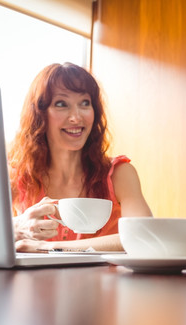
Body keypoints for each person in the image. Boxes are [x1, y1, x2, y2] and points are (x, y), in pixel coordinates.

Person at [9, 62, 152, 252]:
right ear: (39, 114)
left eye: (85, 103)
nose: (76, 117)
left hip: (108, 282)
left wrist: (50, 247)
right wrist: (15, 227)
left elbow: (144, 235)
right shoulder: (17, 176)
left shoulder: (119, 173)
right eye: (61, 104)